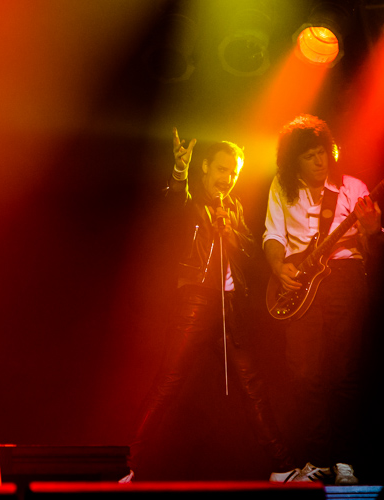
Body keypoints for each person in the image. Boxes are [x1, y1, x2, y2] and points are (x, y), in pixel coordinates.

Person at [121, 127, 294, 482]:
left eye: (233, 172)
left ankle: (281, 467)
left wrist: (232, 233)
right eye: (221, 169)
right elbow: (174, 199)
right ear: (205, 168)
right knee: (168, 383)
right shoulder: (193, 199)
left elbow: (249, 255)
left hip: (229, 305)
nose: (227, 178)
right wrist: (179, 171)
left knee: (252, 385)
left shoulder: (233, 207)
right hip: (197, 300)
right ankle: (127, 467)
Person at [263, 114, 384, 485]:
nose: (320, 161)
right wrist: (278, 267)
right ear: (293, 160)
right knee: (304, 374)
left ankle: (346, 461)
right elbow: (273, 235)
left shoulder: (352, 187)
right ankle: (317, 460)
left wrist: (372, 229)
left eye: (322, 152)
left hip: (344, 276)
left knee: (344, 371)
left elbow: (376, 249)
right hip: (301, 283)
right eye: (309, 155)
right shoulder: (282, 186)